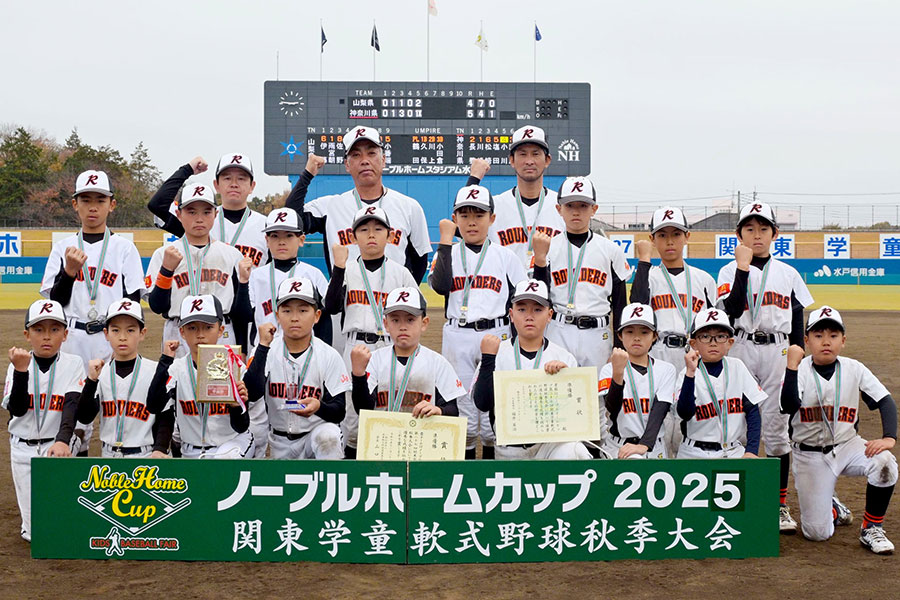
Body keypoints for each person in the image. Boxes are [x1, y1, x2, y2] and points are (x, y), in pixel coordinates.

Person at [717, 201, 814, 533]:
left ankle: (779, 504)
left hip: (778, 349)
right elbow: (730, 309)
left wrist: (798, 349)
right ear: (739, 234)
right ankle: (739, 500)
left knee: (776, 427)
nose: (756, 235)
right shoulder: (729, 271)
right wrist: (742, 268)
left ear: (775, 233)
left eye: (763, 229)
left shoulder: (788, 273)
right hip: (741, 345)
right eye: (749, 229)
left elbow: (798, 313)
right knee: (739, 423)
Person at [41, 169, 145, 454]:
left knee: (119, 406)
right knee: (74, 416)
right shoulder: (62, 247)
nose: (93, 206)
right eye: (85, 199)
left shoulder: (125, 248)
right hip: (73, 335)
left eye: (100, 199)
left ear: (112, 204)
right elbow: (55, 302)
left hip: (112, 338)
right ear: (75, 204)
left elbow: (133, 301)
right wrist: (69, 272)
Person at [781, 306, 897, 554]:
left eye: (833, 336)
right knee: (816, 534)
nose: (826, 342)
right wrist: (791, 367)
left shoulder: (854, 368)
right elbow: (787, 404)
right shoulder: (799, 370)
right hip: (809, 454)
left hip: (848, 445)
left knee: (885, 463)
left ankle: (871, 528)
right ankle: (833, 508)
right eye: (818, 335)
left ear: (843, 341)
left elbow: (885, 400)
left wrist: (889, 437)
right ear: (806, 340)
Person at [428, 185, 526, 459]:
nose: (472, 221)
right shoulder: (447, 254)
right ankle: (467, 471)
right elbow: (440, 286)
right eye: (465, 214)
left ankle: (493, 472)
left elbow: (520, 301)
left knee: (495, 409)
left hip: (496, 333)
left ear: (492, 218)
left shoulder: (506, 257)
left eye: (479, 215)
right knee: (465, 415)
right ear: (455, 218)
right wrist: (446, 243)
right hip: (457, 333)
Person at [532, 176, 630, 449]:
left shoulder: (609, 250)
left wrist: (619, 344)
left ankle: (593, 457)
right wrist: (540, 261)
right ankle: (556, 453)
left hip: (597, 332)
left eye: (583, 206)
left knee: (596, 399)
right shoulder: (548, 246)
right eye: (570, 205)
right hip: (559, 328)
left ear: (594, 210)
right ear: (558, 209)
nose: (576, 212)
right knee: (556, 391)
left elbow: (620, 302)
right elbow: (539, 294)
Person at [322, 206, 418, 457]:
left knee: (390, 410)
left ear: (389, 235)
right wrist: (339, 268)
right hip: (355, 346)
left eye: (378, 229)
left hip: (390, 347)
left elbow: (417, 314)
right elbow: (331, 306)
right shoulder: (347, 270)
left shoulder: (401, 273)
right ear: (353, 237)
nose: (371, 235)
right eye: (364, 230)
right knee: (353, 419)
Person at [283, 128, 432, 281]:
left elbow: (419, 262)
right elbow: (290, 218)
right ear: (347, 164)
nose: (365, 160)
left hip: (394, 302)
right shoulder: (331, 207)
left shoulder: (409, 207)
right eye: (356, 155)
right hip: (345, 300)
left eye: (371, 153)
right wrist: (308, 174)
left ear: (383, 160)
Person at [630, 206, 717, 456]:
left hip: (692, 354)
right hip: (659, 352)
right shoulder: (651, 276)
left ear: (687, 236)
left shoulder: (703, 280)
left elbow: (714, 323)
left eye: (676, 234)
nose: (670, 241)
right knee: (658, 419)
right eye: (662, 235)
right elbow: (636, 305)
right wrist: (644, 262)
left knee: (691, 419)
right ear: (652, 239)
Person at [472, 279, 591, 460]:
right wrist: (488, 360)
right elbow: (482, 403)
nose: (529, 316)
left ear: (549, 314)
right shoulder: (496, 352)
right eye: (521, 309)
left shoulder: (563, 357)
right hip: (509, 449)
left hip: (549, 446)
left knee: (576, 451)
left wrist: (567, 379)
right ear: (511, 314)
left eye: (537, 309)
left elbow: (578, 417)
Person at [3, 300, 84, 542]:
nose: (46, 336)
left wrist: (62, 441)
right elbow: (16, 409)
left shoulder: (73, 363)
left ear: (65, 334)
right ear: (27, 335)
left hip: (56, 449)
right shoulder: (17, 363)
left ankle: (75, 447)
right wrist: (20, 371)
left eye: (54, 329)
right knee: (35, 534)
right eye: (39, 330)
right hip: (22, 448)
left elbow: (70, 408)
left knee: (64, 523)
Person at [244, 278, 349, 460]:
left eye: (302, 310)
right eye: (287, 310)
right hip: (278, 438)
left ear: (316, 316)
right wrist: (262, 347)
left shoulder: (328, 355)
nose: (294, 317)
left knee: (329, 437)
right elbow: (252, 393)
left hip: (314, 436)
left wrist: (319, 407)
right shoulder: (266, 350)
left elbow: (339, 410)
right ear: (277, 315)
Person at [145, 181, 253, 356]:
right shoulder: (164, 255)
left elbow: (241, 313)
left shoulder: (232, 255)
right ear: (179, 214)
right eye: (191, 211)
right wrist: (166, 270)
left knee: (220, 383)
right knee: (178, 382)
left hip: (221, 331)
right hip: (178, 331)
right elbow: (157, 306)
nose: (199, 218)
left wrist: (242, 348)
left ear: (216, 214)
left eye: (206, 211)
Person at [148, 295, 252, 458]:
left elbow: (241, 426)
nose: (200, 334)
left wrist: (236, 407)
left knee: (224, 460)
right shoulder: (176, 369)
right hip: (190, 449)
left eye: (208, 327)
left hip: (231, 444)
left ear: (220, 330)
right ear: (182, 332)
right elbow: (154, 405)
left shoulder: (236, 366)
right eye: (192, 328)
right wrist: (165, 360)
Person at [77, 299, 174, 458]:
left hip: (146, 455)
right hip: (109, 455)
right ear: (106, 334)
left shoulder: (155, 371)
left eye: (130, 330)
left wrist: (160, 448)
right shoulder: (100, 372)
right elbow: (84, 416)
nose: (122, 337)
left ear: (142, 333)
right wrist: (91, 382)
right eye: (115, 330)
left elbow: (165, 415)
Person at [350, 286, 463, 420]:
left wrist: (439, 410)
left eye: (410, 320)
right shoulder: (375, 360)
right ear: (386, 324)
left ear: (424, 323)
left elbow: (453, 409)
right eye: (395, 320)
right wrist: (358, 375)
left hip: (423, 434)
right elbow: (362, 408)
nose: (402, 327)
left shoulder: (437, 363)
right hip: (382, 435)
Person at [466, 125, 565, 271]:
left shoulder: (563, 206)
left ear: (547, 160)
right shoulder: (496, 204)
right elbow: (461, 228)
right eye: (523, 154)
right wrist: (474, 180)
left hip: (551, 291)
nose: (529, 161)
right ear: (511, 160)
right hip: (505, 290)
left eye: (536, 154)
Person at [147, 154, 268, 267]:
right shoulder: (199, 220)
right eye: (227, 178)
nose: (234, 184)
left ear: (252, 186)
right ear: (216, 185)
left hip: (249, 290)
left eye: (241, 178)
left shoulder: (267, 226)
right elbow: (157, 205)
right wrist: (187, 170)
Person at [675, 308, 765, 459]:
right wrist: (690, 375)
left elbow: (753, 412)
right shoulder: (686, 373)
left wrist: (751, 450)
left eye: (720, 337)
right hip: (694, 452)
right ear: (693, 343)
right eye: (705, 336)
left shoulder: (737, 367)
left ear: (730, 342)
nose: (713, 343)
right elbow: (684, 413)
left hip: (733, 451)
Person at [599, 303, 676, 459]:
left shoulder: (666, 369)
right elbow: (612, 408)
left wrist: (644, 445)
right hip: (619, 446)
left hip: (653, 446)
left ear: (655, 336)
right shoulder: (609, 369)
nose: (636, 337)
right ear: (620, 335)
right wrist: (618, 374)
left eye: (644, 332)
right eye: (629, 331)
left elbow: (660, 410)